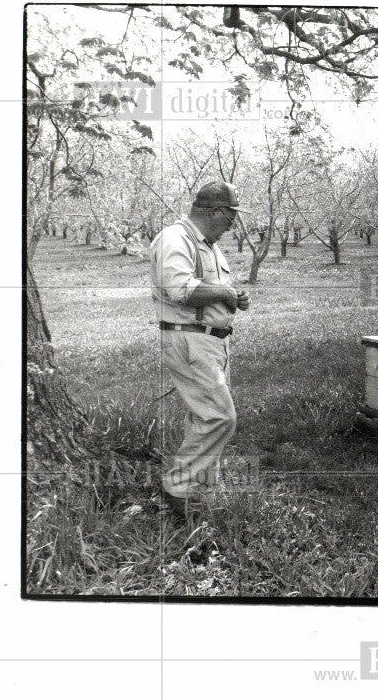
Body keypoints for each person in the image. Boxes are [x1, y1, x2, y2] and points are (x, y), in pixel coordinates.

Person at [149, 182, 251, 518]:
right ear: (217, 211)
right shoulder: (175, 239)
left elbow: (213, 291)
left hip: (211, 341)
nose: (233, 222)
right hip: (189, 339)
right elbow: (179, 289)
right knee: (220, 416)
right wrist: (223, 292)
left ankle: (200, 491)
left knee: (205, 417)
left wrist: (232, 297)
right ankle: (180, 490)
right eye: (231, 214)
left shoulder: (208, 246)